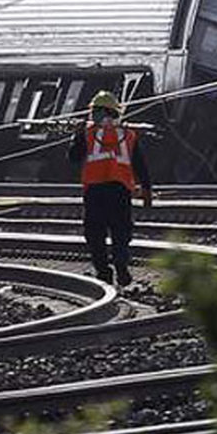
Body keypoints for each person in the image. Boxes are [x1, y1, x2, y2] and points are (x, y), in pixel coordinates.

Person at [68, 90, 153, 287]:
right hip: (120, 191)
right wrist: (147, 192)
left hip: (95, 191)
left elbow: (73, 158)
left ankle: (103, 272)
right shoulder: (128, 135)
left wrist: (76, 135)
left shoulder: (87, 134)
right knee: (121, 232)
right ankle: (121, 265)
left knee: (95, 233)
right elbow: (141, 165)